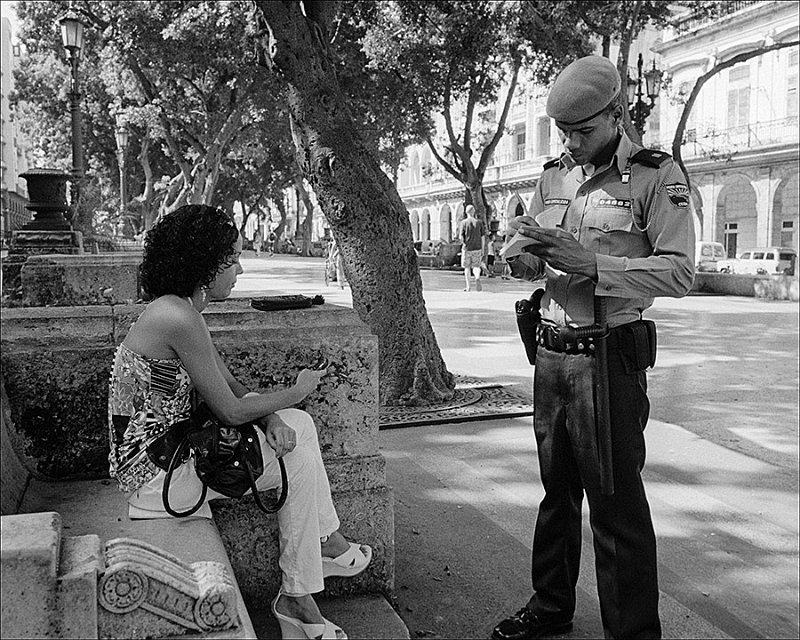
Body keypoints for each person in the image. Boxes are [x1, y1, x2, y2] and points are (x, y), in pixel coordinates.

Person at [493, 56, 695, 640]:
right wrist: (517, 251)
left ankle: (631, 631)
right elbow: (533, 258)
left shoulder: (658, 176)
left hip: (608, 357)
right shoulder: (554, 175)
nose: (572, 143)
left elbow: (680, 272)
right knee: (556, 494)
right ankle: (550, 605)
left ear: (616, 115)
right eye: (565, 133)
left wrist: (594, 264)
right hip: (550, 354)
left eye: (584, 131)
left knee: (614, 506)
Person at [107, 205, 371, 640]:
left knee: (295, 432)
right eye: (230, 261)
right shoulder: (176, 317)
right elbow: (229, 409)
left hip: (165, 465)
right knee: (300, 434)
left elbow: (228, 382)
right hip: (158, 481)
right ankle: (310, 573)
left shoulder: (178, 310)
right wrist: (297, 391)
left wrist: (271, 416)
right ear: (202, 266)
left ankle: (310, 579)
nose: (240, 269)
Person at [457, 204, 487, 291]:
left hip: (467, 248)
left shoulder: (463, 223)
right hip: (477, 248)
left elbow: (461, 237)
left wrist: (463, 244)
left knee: (467, 267)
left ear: (466, 212)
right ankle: (477, 277)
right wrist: (482, 249)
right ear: (474, 212)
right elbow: (483, 237)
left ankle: (468, 286)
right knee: (476, 266)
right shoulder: (479, 223)